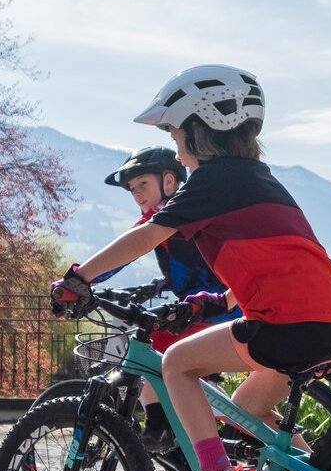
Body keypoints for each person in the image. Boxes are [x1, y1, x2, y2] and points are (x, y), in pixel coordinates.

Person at [50, 65, 331, 471]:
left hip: (285, 322)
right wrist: (215, 302)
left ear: (200, 131)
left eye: (177, 136)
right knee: (247, 406)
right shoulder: (259, 180)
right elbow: (275, 263)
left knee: (177, 363)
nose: (177, 150)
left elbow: (146, 236)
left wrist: (79, 280)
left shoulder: (213, 182)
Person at [97, 145, 233, 450]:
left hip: (218, 309)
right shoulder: (176, 214)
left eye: (143, 184)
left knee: (147, 341)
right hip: (207, 308)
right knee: (165, 347)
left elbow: (125, 251)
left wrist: (80, 279)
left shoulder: (168, 214)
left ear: (169, 181)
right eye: (132, 189)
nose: (137, 194)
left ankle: (159, 424)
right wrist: (158, 285)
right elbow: (190, 267)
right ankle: (180, 428)